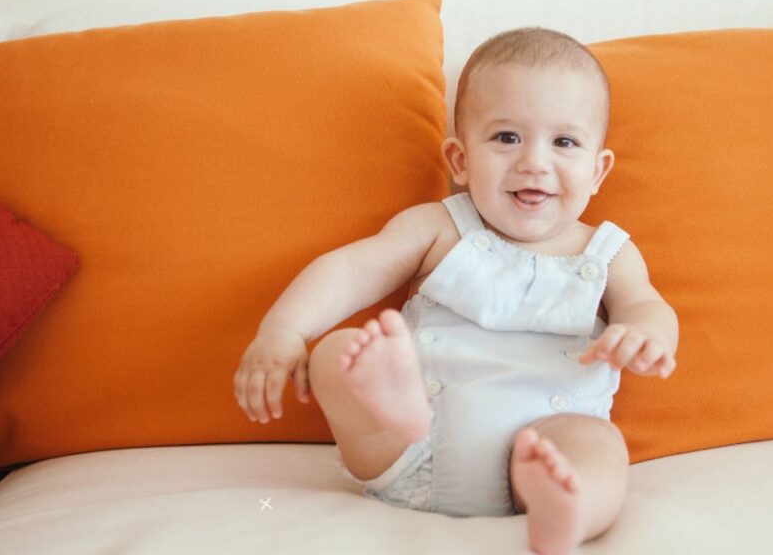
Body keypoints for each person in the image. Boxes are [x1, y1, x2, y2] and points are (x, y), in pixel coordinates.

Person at [234, 27, 678, 555]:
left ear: (598, 169)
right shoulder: (440, 227)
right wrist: (285, 330)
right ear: (460, 160)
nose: (535, 162)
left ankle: (570, 508)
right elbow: (352, 270)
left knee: (599, 448)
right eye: (507, 137)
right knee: (337, 355)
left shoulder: (607, 253)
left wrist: (645, 335)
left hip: (545, 441)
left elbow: (648, 306)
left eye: (564, 142)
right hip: (410, 447)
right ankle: (389, 404)